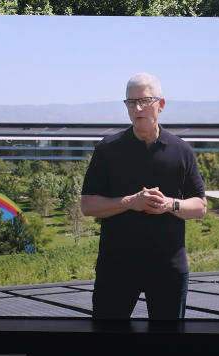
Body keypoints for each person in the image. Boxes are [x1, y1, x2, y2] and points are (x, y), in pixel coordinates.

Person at [80, 72, 207, 320]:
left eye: (144, 100)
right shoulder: (108, 149)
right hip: (116, 269)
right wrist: (131, 202)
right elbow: (87, 205)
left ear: (161, 104)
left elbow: (200, 206)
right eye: (130, 102)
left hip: (169, 270)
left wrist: (170, 205)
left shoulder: (181, 151)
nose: (137, 108)